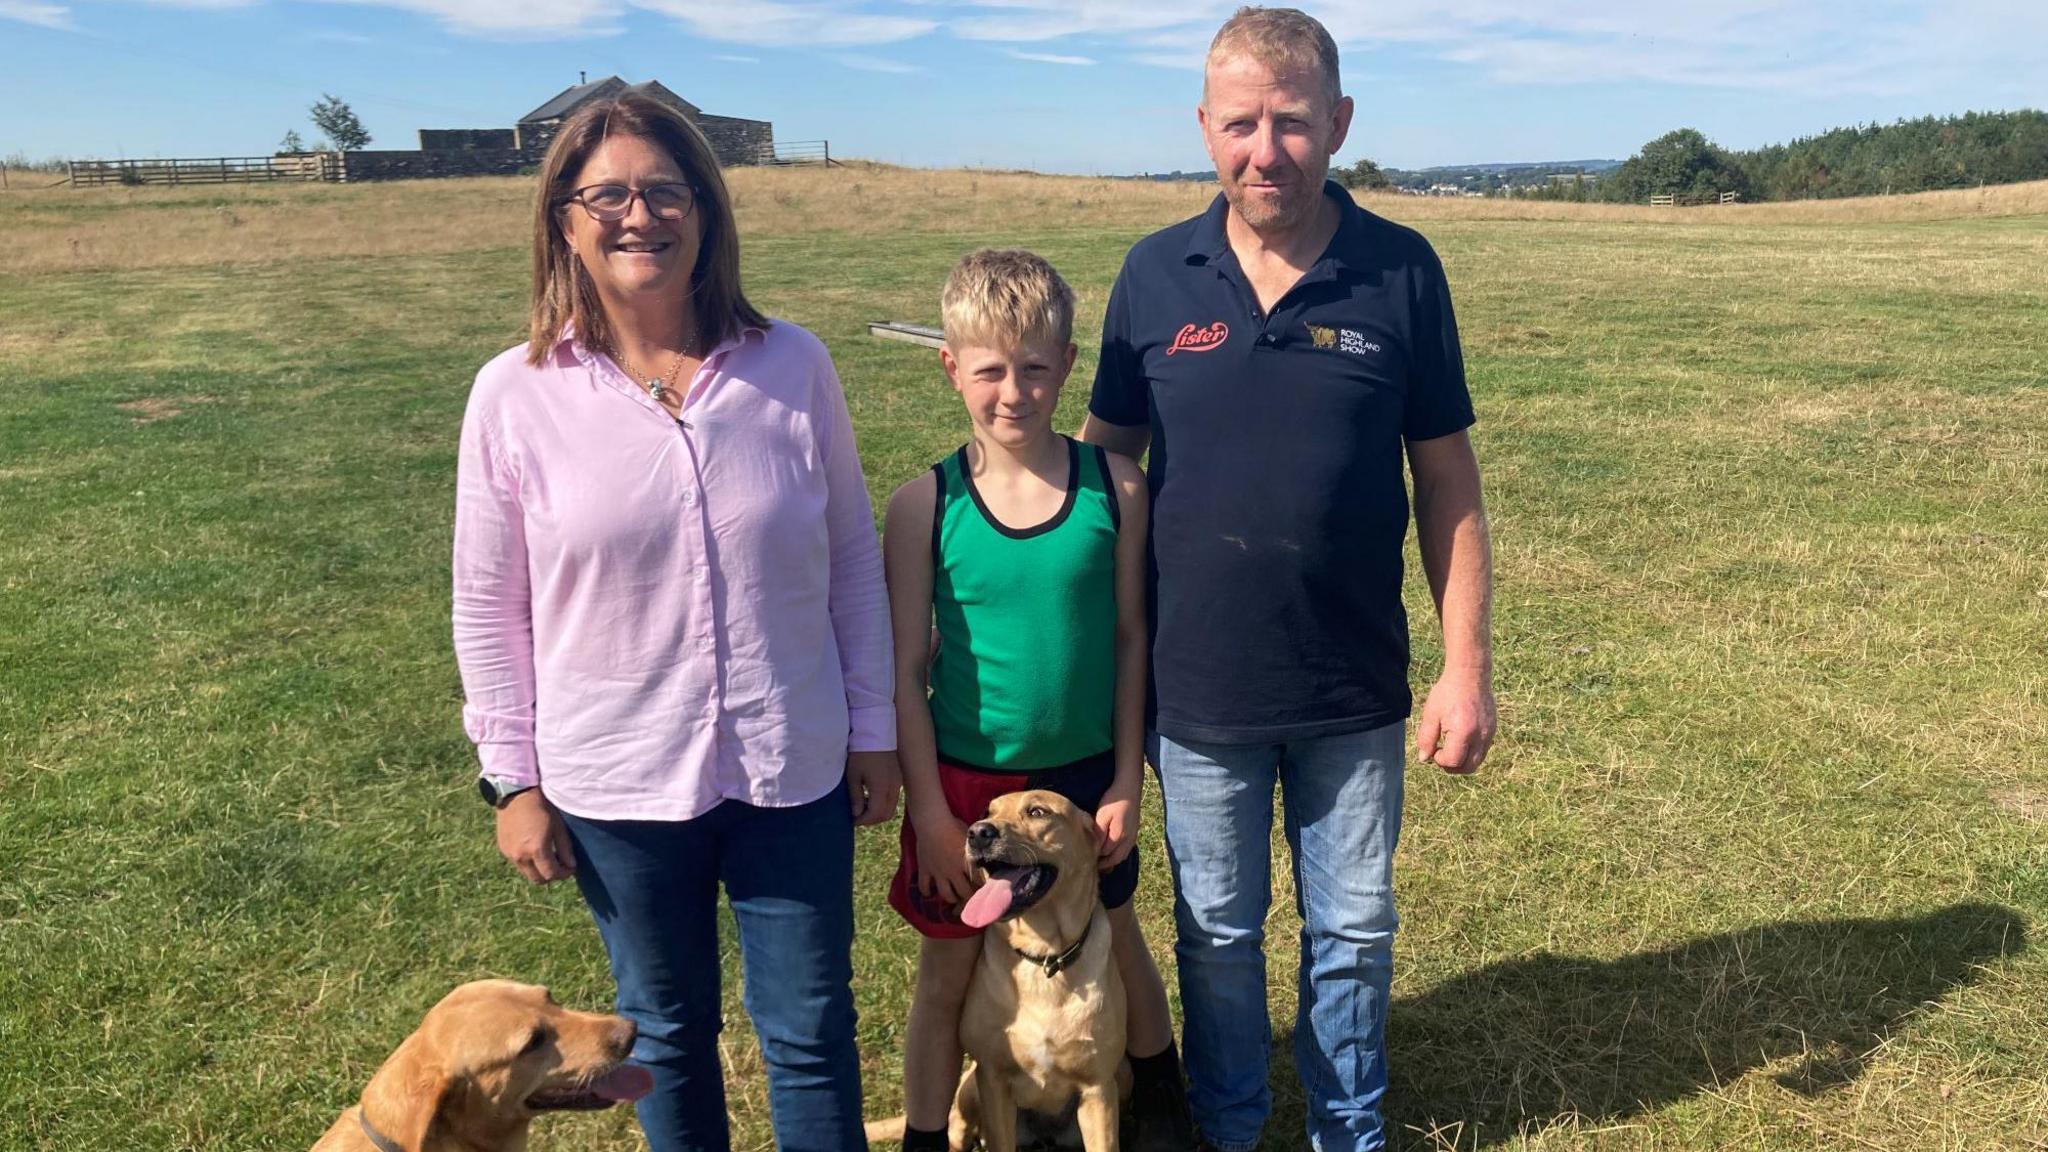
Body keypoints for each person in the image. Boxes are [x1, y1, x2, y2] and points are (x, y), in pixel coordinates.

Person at [1078, 8, 1498, 1151]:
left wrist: (1464, 668)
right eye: (1242, 124)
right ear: (1204, 129)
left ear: (1340, 124)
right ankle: (1226, 1125)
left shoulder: (1401, 269)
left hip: (1350, 683)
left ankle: (1345, 1130)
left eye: (1294, 123)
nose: (1268, 151)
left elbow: (1446, 483)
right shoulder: (1154, 273)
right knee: (1215, 932)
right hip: (1196, 681)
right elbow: (1102, 468)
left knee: (1352, 929)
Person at [450, 91, 900, 1152]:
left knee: (809, 1029)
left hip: (793, 762)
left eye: (663, 190)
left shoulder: (792, 366)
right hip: (615, 778)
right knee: (660, 1038)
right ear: (564, 219)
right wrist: (512, 778)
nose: (636, 214)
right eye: (605, 193)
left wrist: (873, 728)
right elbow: (486, 603)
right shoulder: (513, 394)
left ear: (704, 211)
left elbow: (847, 561)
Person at [880, 249, 1196, 1151]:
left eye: (1034, 369)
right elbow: (906, 673)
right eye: (989, 370)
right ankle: (924, 1134)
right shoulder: (922, 505)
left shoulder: (1115, 486)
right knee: (946, 973)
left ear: (1066, 366)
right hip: (966, 783)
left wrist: (1126, 777)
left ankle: (1161, 1106)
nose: (1012, 392)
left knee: (1120, 939)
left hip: (1085, 777)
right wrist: (935, 816)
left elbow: (1133, 639)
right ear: (952, 366)